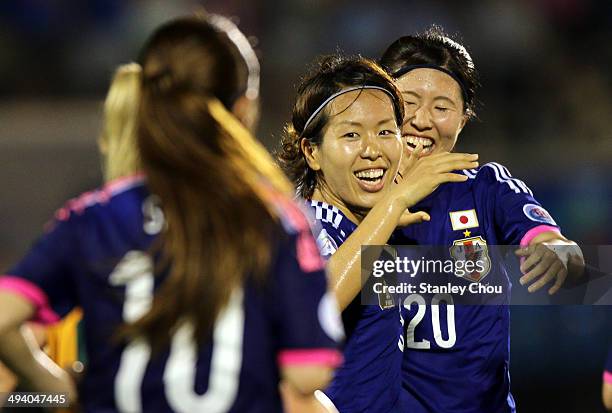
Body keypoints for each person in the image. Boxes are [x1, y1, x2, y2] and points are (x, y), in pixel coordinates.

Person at [0, 14, 342, 413]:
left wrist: (59, 389)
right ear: (245, 107)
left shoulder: (94, 216)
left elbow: (6, 326)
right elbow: (309, 374)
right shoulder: (275, 217)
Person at [380, 26, 585, 412]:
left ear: (462, 119)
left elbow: (564, 253)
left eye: (442, 108)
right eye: (408, 102)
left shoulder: (487, 189)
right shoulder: (352, 198)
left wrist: (558, 253)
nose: (423, 121)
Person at [276, 54, 478, 412]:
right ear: (312, 152)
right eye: (352, 134)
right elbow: (312, 307)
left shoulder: (373, 228)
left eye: (386, 131)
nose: (373, 151)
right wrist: (394, 203)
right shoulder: (308, 226)